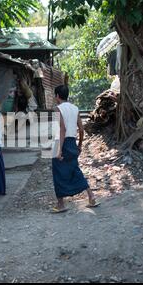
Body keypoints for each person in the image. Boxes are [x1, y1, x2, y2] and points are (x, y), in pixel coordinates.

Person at [51, 85, 100, 213]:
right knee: (75, 170)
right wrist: (79, 145)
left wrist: (59, 149)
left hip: (60, 142)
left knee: (58, 173)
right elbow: (82, 129)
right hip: (72, 142)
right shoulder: (75, 108)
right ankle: (91, 197)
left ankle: (60, 204)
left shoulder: (57, 109)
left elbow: (62, 130)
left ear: (57, 96)